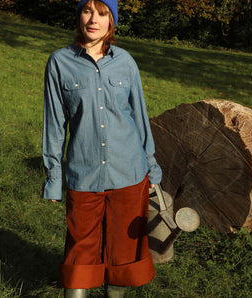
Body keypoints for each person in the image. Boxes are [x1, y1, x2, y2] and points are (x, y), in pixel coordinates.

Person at [42, 0, 162, 297]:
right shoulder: (59, 62)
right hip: (84, 174)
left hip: (129, 172)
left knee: (122, 254)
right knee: (79, 253)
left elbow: (139, 117)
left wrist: (152, 168)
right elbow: (54, 124)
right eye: (87, 11)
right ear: (78, 15)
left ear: (112, 21)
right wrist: (54, 178)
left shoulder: (126, 62)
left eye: (102, 13)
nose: (93, 19)